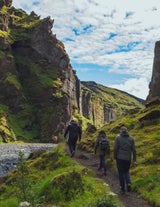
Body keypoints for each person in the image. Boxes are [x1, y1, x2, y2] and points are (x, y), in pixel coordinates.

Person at [114, 126, 136, 195]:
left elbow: (115, 148)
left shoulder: (117, 138)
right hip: (127, 158)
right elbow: (134, 150)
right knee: (126, 172)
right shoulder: (131, 139)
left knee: (121, 173)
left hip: (119, 158)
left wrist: (115, 157)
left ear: (121, 131)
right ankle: (128, 183)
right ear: (127, 131)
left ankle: (122, 189)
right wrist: (134, 159)